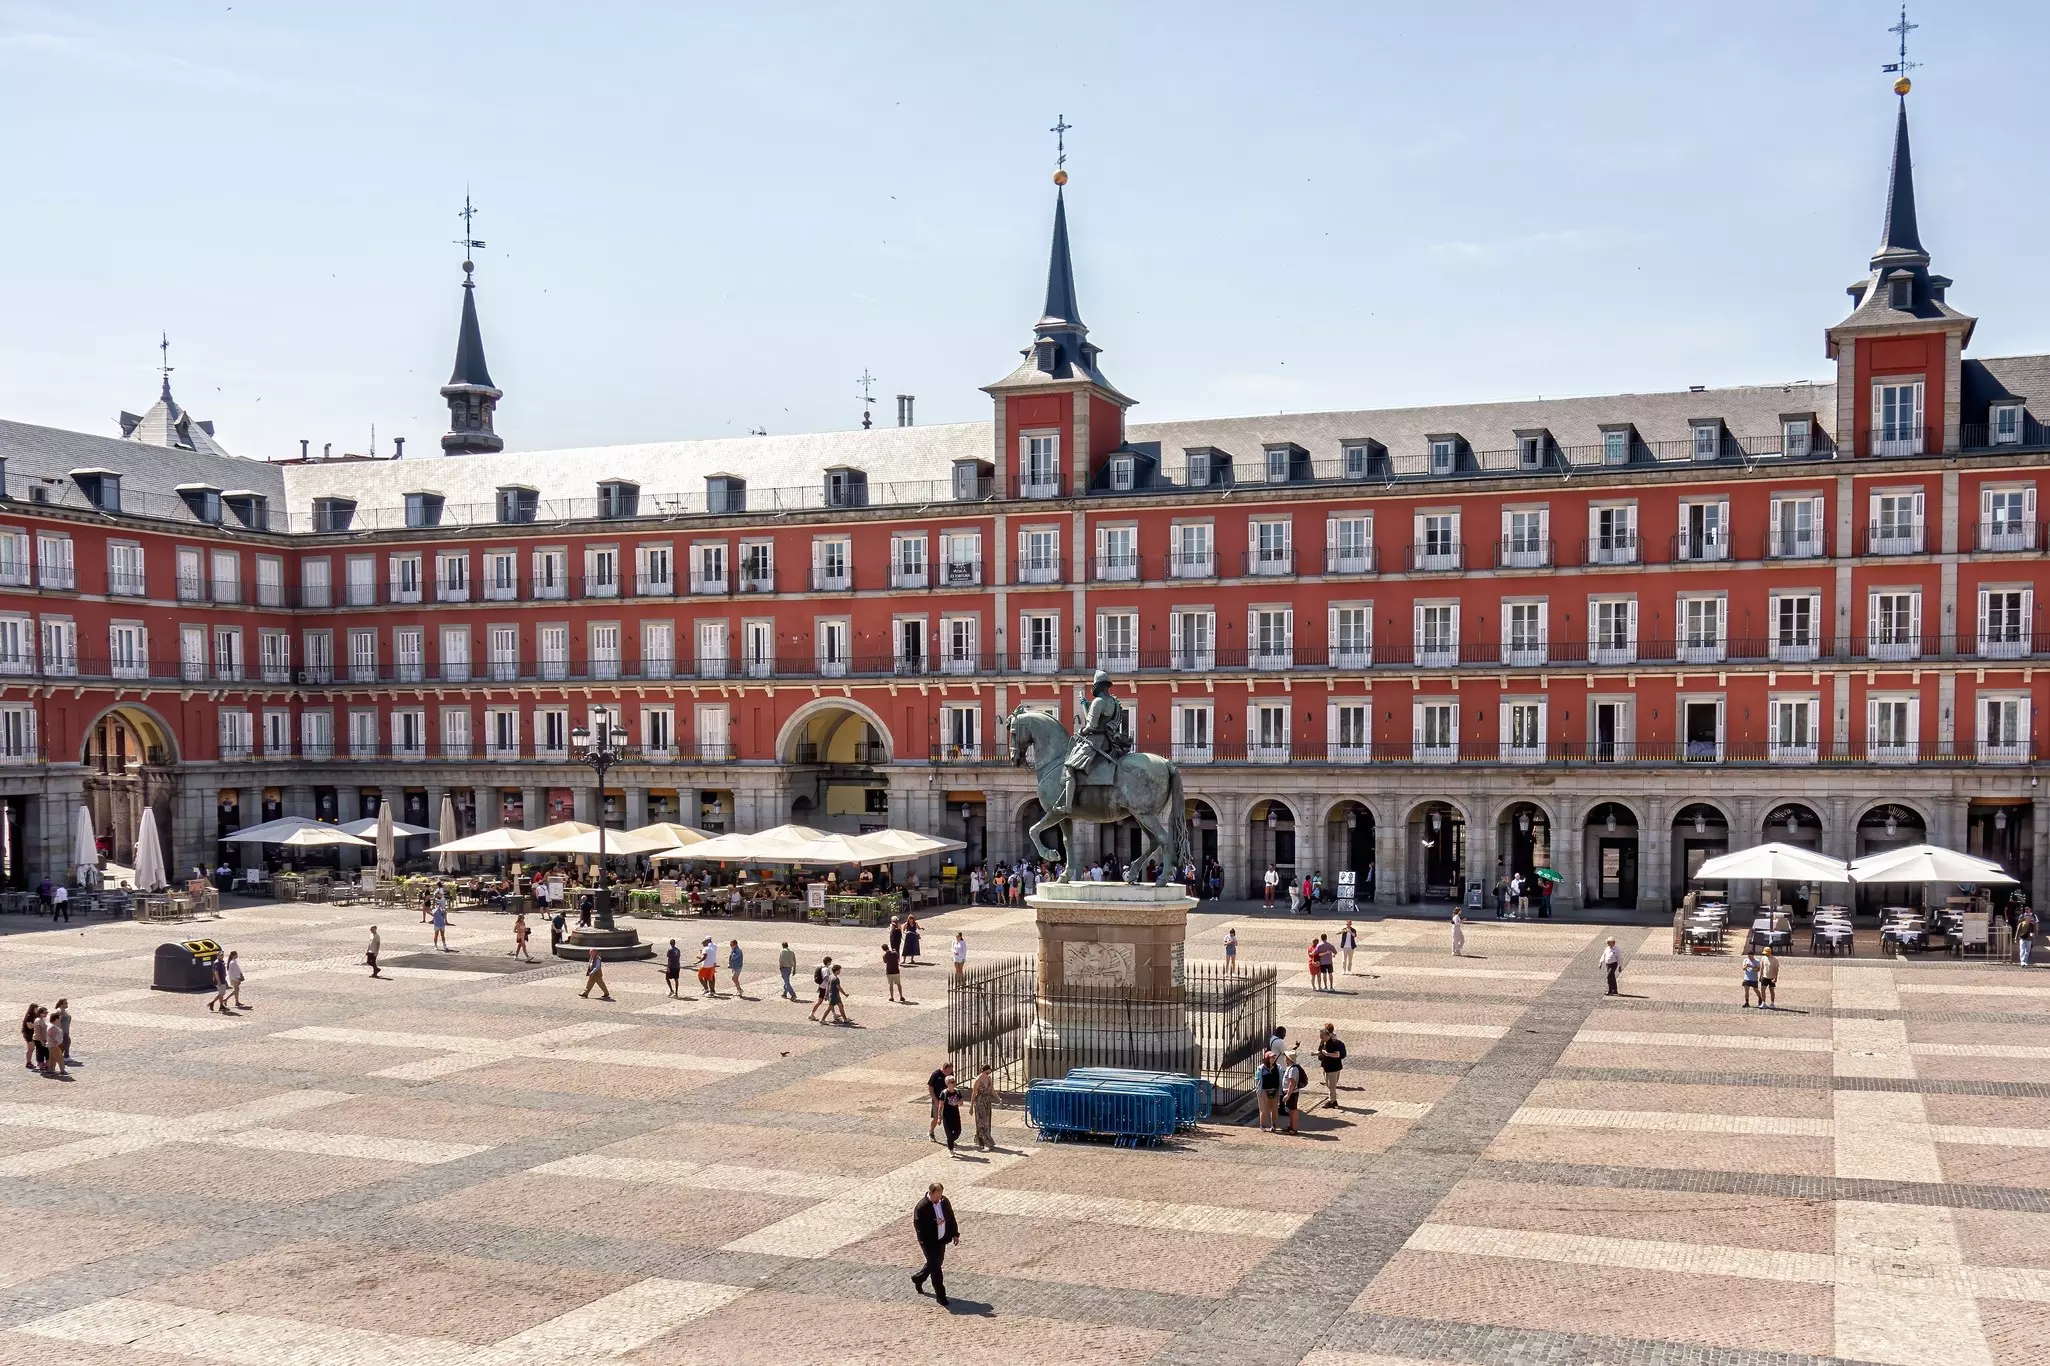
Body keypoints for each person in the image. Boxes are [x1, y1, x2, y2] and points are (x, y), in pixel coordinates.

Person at [910, 1182, 959, 1307]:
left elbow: (950, 1216)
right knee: (936, 1267)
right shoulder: (921, 1207)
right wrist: (934, 1223)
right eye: (936, 1196)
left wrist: (954, 1233)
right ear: (930, 1193)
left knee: (936, 1263)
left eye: (940, 1196)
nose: (939, 1199)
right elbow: (919, 1227)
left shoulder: (944, 1201)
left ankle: (919, 1278)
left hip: (941, 1239)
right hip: (928, 1242)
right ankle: (941, 1295)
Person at [1316, 1022, 1347, 1109]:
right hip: (1326, 1066)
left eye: (1322, 1037)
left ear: (1326, 1035)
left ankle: (1332, 1101)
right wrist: (1315, 1054)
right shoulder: (1323, 1042)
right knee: (1328, 1084)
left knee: (1332, 1085)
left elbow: (1337, 1055)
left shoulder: (1334, 1042)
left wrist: (1327, 1053)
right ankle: (1333, 1100)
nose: (1321, 1038)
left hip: (1334, 1067)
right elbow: (1320, 1051)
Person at [1280, 1045, 1307, 1135]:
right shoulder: (1291, 1067)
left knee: (1293, 1111)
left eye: (1286, 1058)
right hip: (1291, 1092)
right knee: (1291, 1110)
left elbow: (1292, 1083)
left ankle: (1294, 1128)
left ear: (1289, 1059)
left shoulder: (1293, 1069)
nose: (1285, 1059)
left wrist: (1288, 1094)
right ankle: (1291, 1126)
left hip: (1292, 1093)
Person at [970, 1063, 997, 1151]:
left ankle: (980, 1139)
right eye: (987, 1072)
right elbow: (974, 1093)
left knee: (987, 1121)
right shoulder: (978, 1080)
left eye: (989, 1073)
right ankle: (987, 1141)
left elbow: (992, 1090)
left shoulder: (989, 1078)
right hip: (979, 1102)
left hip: (987, 1102)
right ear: (983, 1071)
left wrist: (999, 1098)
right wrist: (971, 1107)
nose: (988, 1074)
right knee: (982, 1122)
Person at [1254, 1049, 1281, 1132]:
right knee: (1264, 1109)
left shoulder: (1278, 1067)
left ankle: (1273, 1125)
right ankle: (1262, 1124)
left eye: (1273, 1057)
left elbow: (1280, 1078)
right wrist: (1259, 1090)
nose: (1273, 1059)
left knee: (1274, 1109)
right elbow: (1257, 1079)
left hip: (1274, 1091)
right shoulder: (1261, 1068)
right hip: (1264, 1091)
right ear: (1267, 1058)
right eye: (1271, 1057)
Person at [927, 1062, 953, 1141]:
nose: (949, 1073)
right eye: (948, 1071)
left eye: (951, 1071)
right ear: (944, 1069)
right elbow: (930, 1087)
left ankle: (950, 1138)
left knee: (949, 1119)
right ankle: (931, 1132)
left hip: (947, 1100)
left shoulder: (950, 1074)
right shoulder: (936, 1074)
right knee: (935, 1118)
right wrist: (935, 1099)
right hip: (937, 1099)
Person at [938, 1077, 963, 1152]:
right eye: (952, 1082)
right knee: (949, 1132)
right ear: (947, 1084)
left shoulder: (957, 1092)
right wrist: (939, 1117)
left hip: (955, 1114)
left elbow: (961, 1101)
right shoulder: (944, 1093)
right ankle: (951, 1149)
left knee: (958, 1131)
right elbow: (940, 1105)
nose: (954, 1083)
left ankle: (950, 1140)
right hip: (947, 1115)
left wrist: (960, 1102)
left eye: (954, 1082)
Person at [809, 955, 835, 1022]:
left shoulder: (823, 968)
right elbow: (826, 978)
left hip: (822, 987)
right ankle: (811, 1014)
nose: (831, 963)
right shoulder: (826, 969)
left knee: (830, 1001)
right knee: (820, 1001)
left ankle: (834, 1014)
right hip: (824, 987)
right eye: (830, 962)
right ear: (828, 962)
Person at [21, 1002, 40, 1071]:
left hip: (32, 1034)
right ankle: (28, 1062)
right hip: (28, 1034)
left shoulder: (35, 1015)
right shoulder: (29, 1016)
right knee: (30, 1049)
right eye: (36, 1009)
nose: (37, 1010)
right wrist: (37, 1024)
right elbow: (29, 1026)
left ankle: (31, 1062)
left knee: (32, 1048)